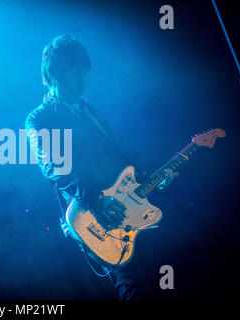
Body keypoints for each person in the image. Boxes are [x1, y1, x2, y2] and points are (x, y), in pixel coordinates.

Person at [25, 34, 177, 299]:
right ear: (56, 75)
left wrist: (147, 177)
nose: (82, 81)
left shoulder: (93, 113)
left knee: (157, 278)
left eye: (84, 73)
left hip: (129, 205)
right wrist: (97, 199)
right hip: (94, 215)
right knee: (132, 284)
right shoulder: (40, 119)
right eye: (75, 74)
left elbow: (118, 160)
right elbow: (54, 169)